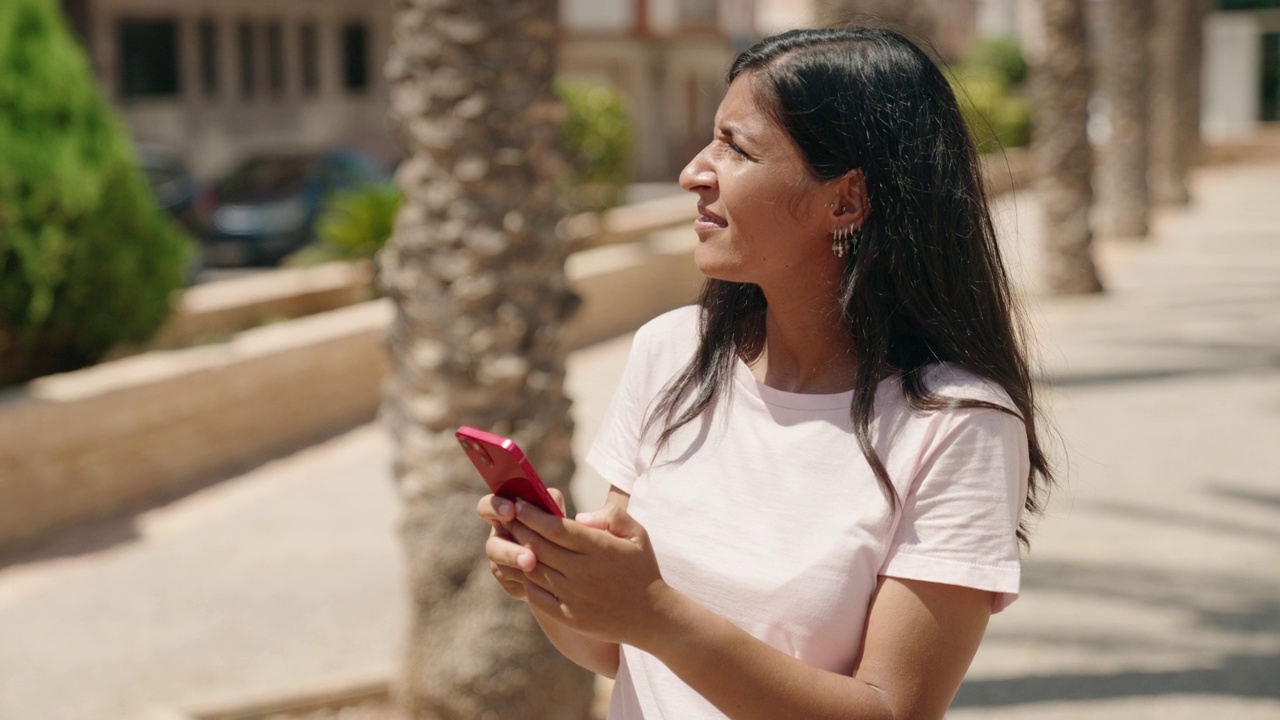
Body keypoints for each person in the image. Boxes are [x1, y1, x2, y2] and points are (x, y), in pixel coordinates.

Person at [478, 26, 1053, 720]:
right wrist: (552, 577)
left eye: (737, 148)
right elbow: (613, 649)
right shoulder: (673, 355)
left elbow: (891, 709)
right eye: (711, 138)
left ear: (846, 200)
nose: (695, 171)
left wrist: (656, 612)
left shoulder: (959, 426)